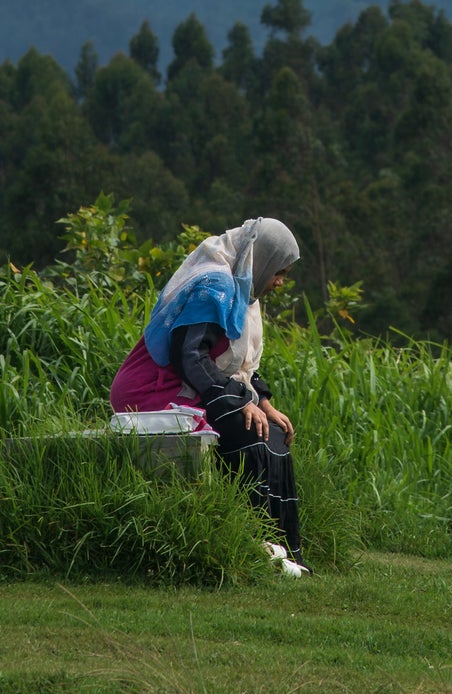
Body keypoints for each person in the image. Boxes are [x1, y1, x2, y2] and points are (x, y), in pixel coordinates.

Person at [109, 218, 308, 572]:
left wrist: (262, 401)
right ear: (261, 259)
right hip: (152, 388)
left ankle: (284, 551)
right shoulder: (213, 285)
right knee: (248, 430)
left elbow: (232, 360)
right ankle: (251, 543)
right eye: (280, 271)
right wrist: (238, 400)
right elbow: (190, 357)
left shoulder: (244, 285)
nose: (279, 281)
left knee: (272, 431)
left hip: (192, 382)